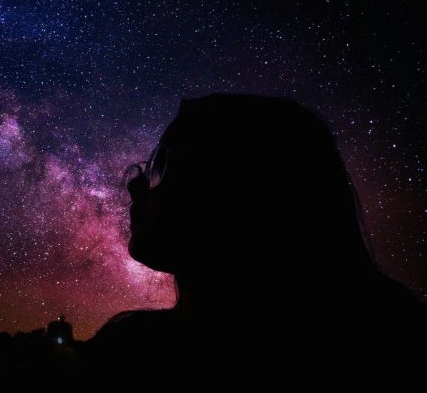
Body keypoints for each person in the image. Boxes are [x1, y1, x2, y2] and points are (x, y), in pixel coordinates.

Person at [83, 94, 426, 377]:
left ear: (240, 182)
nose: (136, 184)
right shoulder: (393, 331)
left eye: (162, 164)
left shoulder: (136, 357)